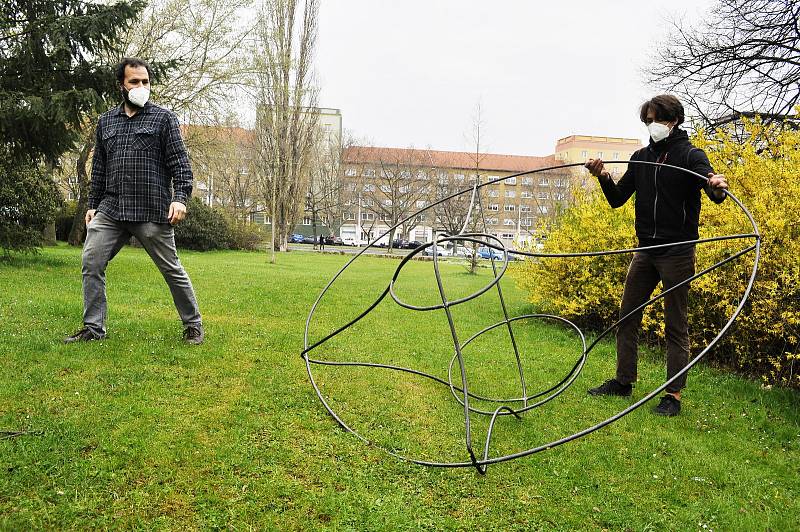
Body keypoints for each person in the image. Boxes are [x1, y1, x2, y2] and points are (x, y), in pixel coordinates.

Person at [584, 94, 728, 416]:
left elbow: (712, 187)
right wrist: (603, 176)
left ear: (673, 119)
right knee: (627, 316)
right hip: (645, 251)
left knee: (675, 325)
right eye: (647, 120)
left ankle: (673, 395)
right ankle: (623, 382)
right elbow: (618, 198)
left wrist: (716, 185)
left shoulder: (691, 155)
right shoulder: (640, 157)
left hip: (677, 251)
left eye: (657, 119)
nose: (652, 125)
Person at [64, 57, 204, 345]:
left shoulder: (164, 119)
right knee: (91, 261)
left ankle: (193, 325)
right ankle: (93, 328)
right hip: (112, 209)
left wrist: (180, 198)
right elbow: (99, 169)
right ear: (121, 85)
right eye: (134, 82)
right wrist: (93, 204)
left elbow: (181, 165)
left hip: (151, 211)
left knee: (171, 269)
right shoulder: (106, 122)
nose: (141, 86)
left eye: (145, 81)